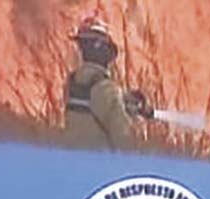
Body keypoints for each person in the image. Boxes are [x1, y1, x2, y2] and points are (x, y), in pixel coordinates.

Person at [64, 17, 152, 150]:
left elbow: (93, 103)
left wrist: (123, 100)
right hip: (99, 164)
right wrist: (133, 118)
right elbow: (123, 138)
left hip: (72, 160)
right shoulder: (108, 89)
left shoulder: (72, 83)